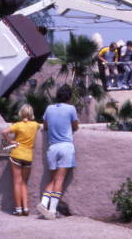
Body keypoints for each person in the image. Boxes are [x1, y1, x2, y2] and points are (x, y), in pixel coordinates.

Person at [36, 85, 79, 220]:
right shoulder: (71, 109)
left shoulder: (49, 109)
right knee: (60, 180)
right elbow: (75, 127)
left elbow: (45, 127)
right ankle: (53, 210)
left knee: (53, 179)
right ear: (69, 97)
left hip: (52, 148)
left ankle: (43, 203)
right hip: (66, 147)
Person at [1, 104, 41, 216]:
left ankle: (18, 209)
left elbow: (4, 132)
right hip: (28, 156)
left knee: (17, 182)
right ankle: (26, 208)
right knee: (24, 183)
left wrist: (10, 141)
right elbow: (42, 127)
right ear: (31, 113)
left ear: (21, 113)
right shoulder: (35, 125)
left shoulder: (18, 125)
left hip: (17, 154)